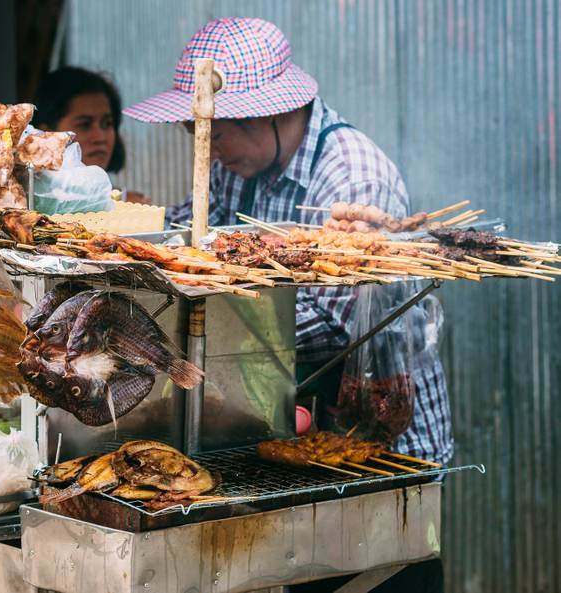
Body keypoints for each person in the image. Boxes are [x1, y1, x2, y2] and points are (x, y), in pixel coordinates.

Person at [124, 18, 450, 592]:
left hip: (371, 438)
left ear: (265, 116)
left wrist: (204, 317)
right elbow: (198, 230)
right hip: (285, 435)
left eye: (214, 133)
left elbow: (334, 321)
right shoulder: (237, 165)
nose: (208, 149)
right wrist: (136, 228)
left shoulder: (351, 176)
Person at [33, 66, 150, 204]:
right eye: (84, 124)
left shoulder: (133, 207)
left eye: (107, 124)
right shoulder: (25, 207)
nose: (100, 137)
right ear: (46, 135)